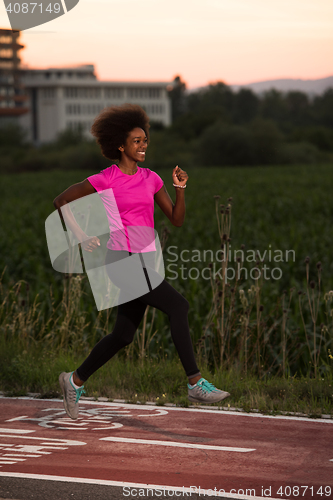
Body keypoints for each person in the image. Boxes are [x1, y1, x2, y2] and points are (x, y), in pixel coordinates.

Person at [54, 104, 230, 420]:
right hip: (120, 260)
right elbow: (62, 200)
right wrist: (81, 234)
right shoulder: (105, 179)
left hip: (146, 260)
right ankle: (194, 383)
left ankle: (74, 380)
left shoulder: (151, 179)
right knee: (179, 306)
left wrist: (180, 190)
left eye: (145, 141)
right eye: (137, 141)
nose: (143, 145)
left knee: (123, 335)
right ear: (120, 146)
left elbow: (176, 220)